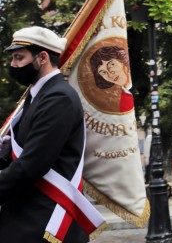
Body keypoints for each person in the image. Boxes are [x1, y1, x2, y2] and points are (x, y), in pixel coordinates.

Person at [0, 26, 90, 242]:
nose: (13, 65)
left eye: (19, 58)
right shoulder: (37, 96)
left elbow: (32, 165)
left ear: (42, 57)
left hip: (46, 222)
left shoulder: (58, 98)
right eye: (13, 58)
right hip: (28, 216)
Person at [89, 45, 134, 113]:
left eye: (111, 65)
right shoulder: (115, 101)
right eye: (103, 72)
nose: (110, 74)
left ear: (122, 59)